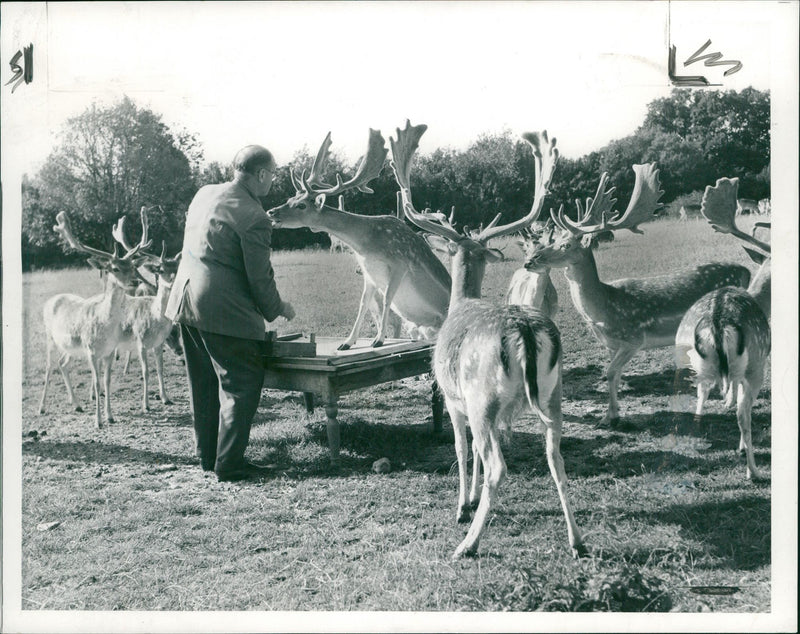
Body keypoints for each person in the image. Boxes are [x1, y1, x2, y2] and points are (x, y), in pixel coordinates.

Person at [166, 145, 295, 482]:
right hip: (221, 309)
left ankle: (208, 457)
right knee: (242, 383)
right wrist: (278, 308)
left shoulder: (204, 193)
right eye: (273, 173)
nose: (274, 179)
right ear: (262, 175)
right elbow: (259, 278)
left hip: (185, 300)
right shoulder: (255, 217)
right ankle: (231, 464)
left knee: (204, 384)